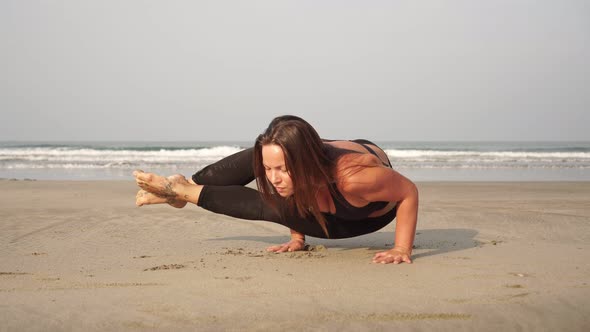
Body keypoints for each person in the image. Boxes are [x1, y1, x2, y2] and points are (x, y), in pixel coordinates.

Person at [133, 115, 418, 264]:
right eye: (269, 172)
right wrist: (297, 237)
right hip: (315, 171)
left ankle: (182, 192)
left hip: (361, 217)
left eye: (280, 170)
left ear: (305, 162)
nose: (272, 178)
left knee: (275, 206)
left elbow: (408, 192)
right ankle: (186, 187)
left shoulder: (354, 178)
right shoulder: (292, 170)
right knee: (264, 156)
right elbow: (295, 189)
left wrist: (401, 248)